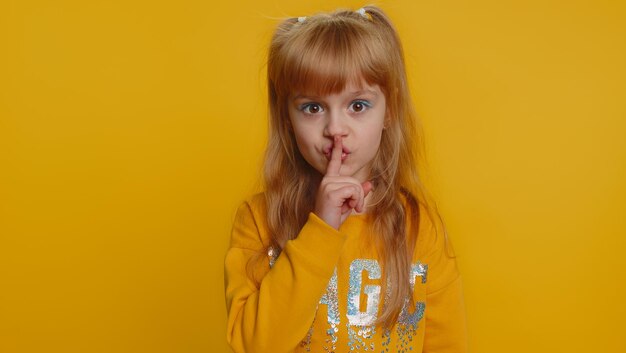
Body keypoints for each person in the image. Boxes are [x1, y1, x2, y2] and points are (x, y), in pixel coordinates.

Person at [224, 5, 467, 353]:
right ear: (287, 118)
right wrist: (320, 230)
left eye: (357, 106)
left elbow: (448, 343)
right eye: (313, 107)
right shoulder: (259, 222)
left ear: (390, 111)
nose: (335, 129)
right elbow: (254, 345)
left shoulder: (419, 226)